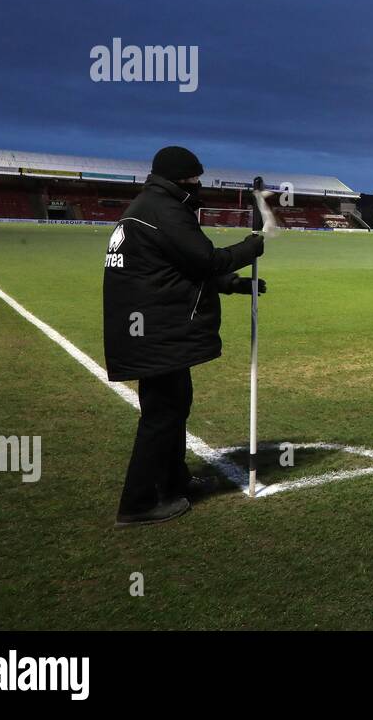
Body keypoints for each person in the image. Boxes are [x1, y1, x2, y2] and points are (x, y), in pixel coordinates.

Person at [104, 146, 267, 527]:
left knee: (174, 408)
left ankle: (174, 481)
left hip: (148, 329)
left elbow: (179, 267)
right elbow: (203, 259)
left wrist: (232, 284)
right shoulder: (164, 210)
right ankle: (138, 503)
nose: (198, 185)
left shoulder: (149, 206)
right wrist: (249, 248)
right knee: (162, 416)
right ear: (180, 179)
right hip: (155, 330)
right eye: (194, 178)